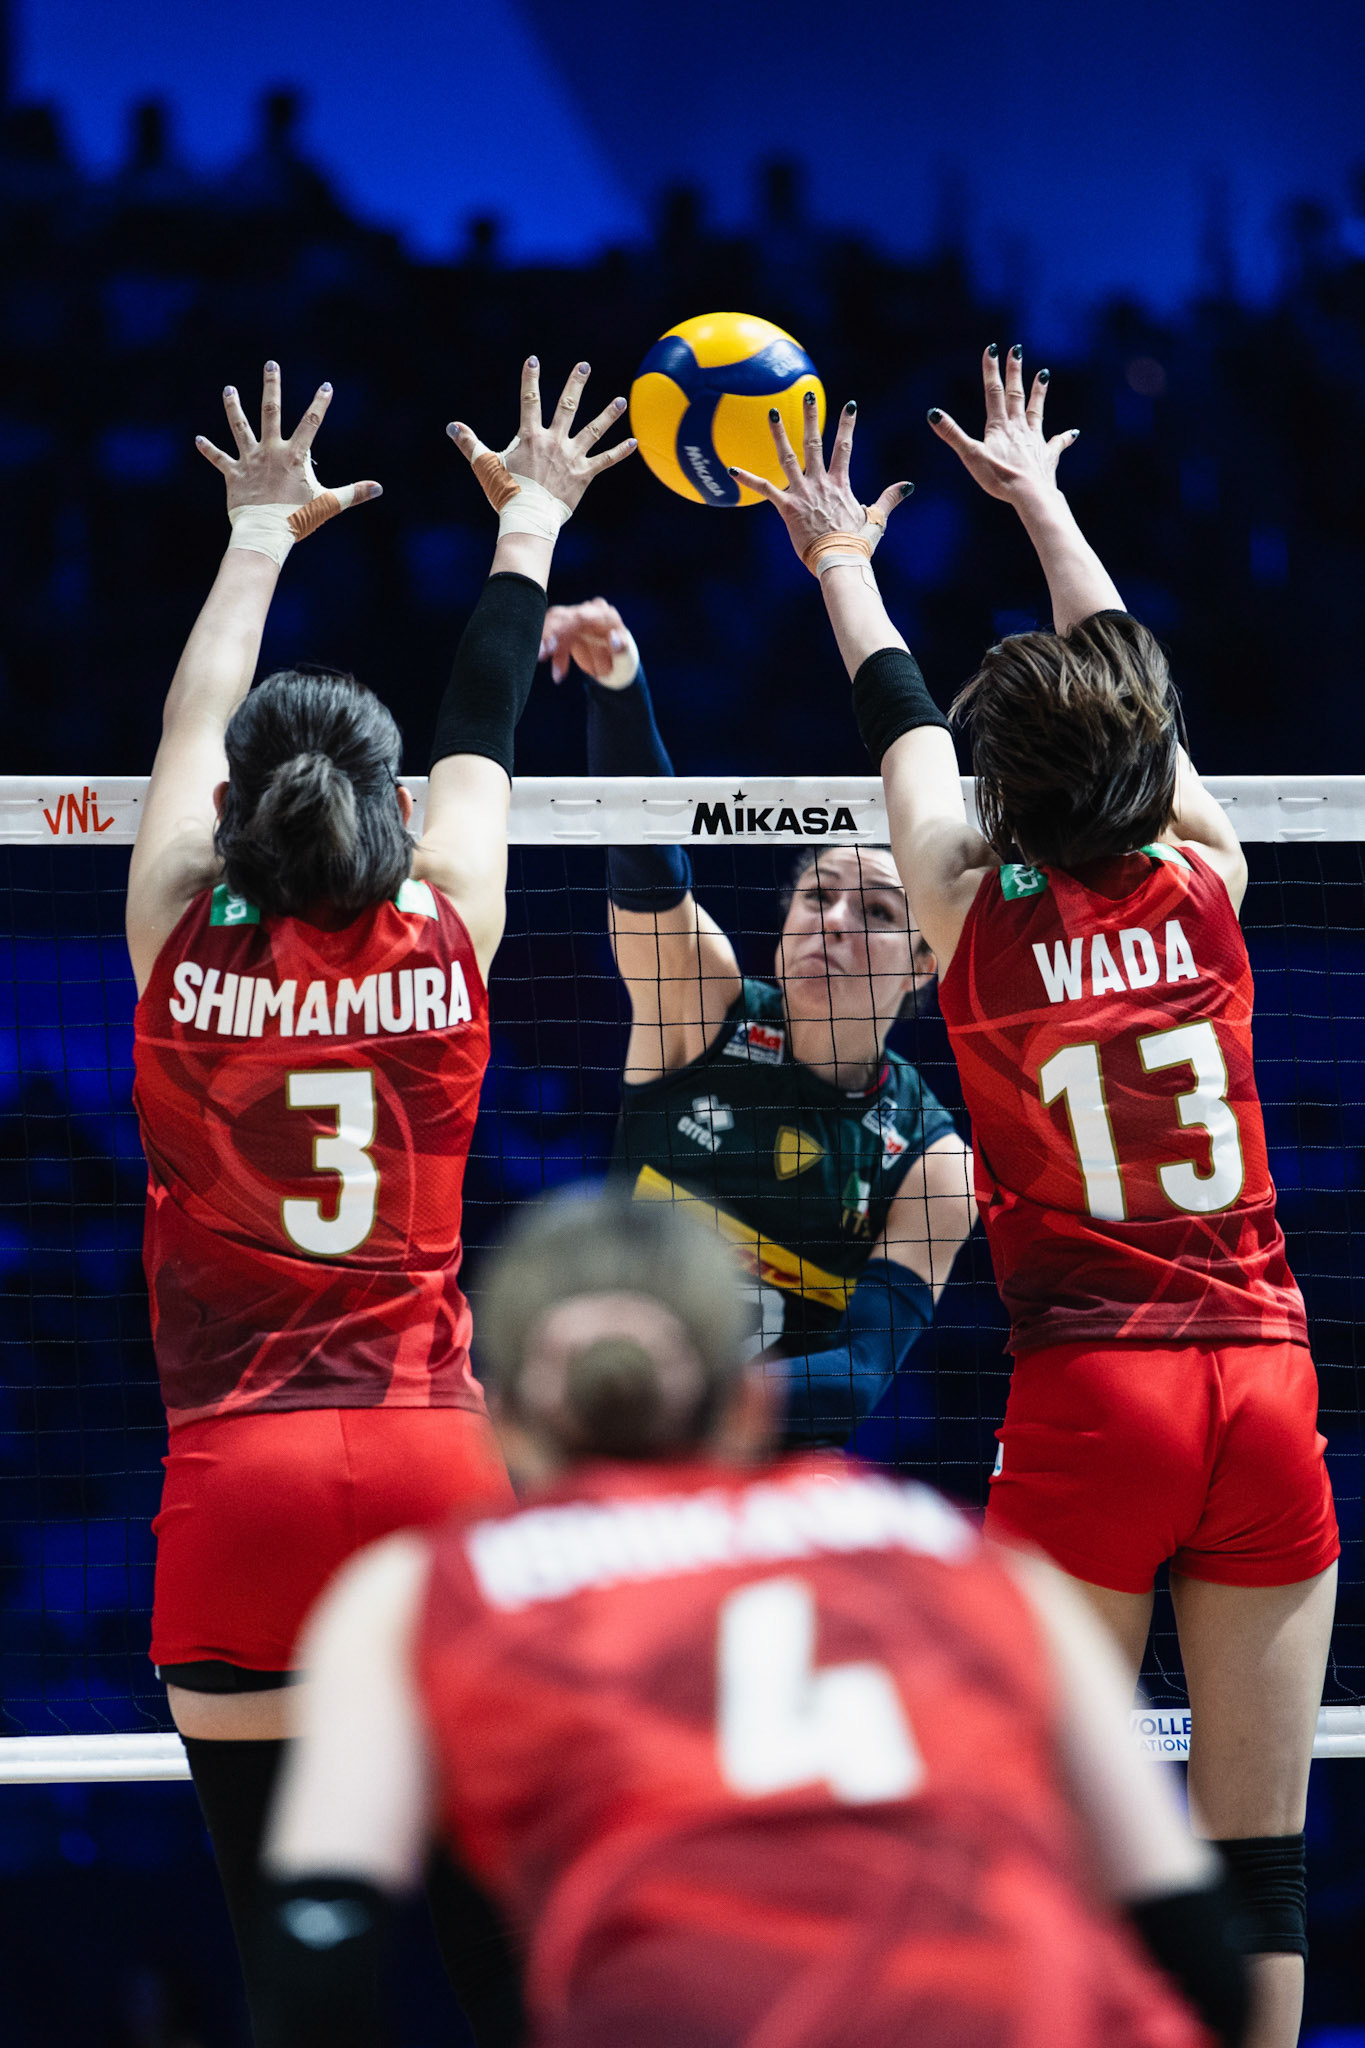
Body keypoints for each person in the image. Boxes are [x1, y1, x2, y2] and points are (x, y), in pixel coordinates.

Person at [728, 349, 1340, 2048]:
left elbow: (900, 718)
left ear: (1011, 797)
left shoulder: (966, 918)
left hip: (1097, 1394)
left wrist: (840, 552)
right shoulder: (1207, 886)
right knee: (1259, 1865)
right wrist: (1043, 496)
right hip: (1267, 1383)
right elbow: (1148, 720)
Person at [255, 1186, 1247, 2048]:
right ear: (752, 1395)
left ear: (505, 1412)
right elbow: (1206, 1959)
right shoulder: (952, 1548)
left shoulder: (424, 1590)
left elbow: (318, 1972)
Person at [125, 355, 635, 2033]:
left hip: (236, 1485)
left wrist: (257, 534)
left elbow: (194, 720)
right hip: (433, 1468)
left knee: (301, 1985)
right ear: (392, 815)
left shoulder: (177, 942)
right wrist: (534, 520)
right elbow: (486, 716)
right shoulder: (451, 928)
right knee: (506, 1964)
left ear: (235, 822)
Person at [537, 596, 975, 1445]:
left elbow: (857, 1374)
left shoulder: (932, 1160)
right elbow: (646, 866)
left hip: (764, 1461)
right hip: (599, 1437)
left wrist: (676, 1395)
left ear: (927, 963)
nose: (836, 922)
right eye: (817, 896)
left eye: (879, 913)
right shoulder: (701, 1010)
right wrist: (619, 691)